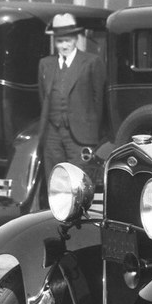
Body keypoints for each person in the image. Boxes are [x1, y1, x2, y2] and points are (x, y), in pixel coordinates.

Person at [38, 12, 106, 186]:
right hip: (52, 135)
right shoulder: (46, 64)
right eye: (60, 41)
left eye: (68, 40)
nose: (64, 45)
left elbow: (99, 101)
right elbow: (43, 97)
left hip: (81, 136)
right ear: (54, 42)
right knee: (55, 181)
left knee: (79, 183)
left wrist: (94, 133)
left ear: (76, 39)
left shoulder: (91, 62)